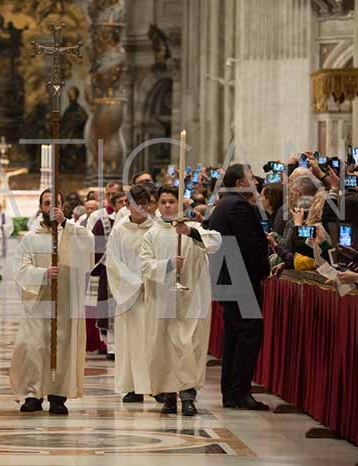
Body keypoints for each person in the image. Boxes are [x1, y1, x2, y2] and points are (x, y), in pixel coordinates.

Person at [139, 185, 222, 416]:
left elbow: (215, 242)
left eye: (171, 202)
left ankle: (188, 397)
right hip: (162, 297)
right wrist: (167, 265)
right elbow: (144, 264)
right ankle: (168, 396)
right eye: (163, 202)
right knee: (164, 346)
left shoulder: (192, 228)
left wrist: (190, 232)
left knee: (189, 345)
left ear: (180, 203)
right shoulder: (151, 234)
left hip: (191, 297)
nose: (167, 206)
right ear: (157, 204)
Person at [10, 189, 94, 415]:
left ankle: (58, 396)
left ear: (62, 206)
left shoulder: (73, 233)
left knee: (62, 346)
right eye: (47, 203)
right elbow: (19, 269)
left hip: (65, 301)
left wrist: (65, 224)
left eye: (56, 203)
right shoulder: (31, 238)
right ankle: (33, 394)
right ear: (41, 207)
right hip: (38, 301)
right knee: (34, 347)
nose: (51, 208)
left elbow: (89, 248)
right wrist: (43, 273)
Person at [209, 164, 271, 410]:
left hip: (229, 277)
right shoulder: (238, 205)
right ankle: (241, 392)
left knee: (234, 335)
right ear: (239, 183)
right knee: (248, 335)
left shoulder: (224, 204)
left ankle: (231, 393)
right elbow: (249, 245)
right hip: (240, 277)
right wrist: (263, 270)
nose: (255, 183)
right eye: (251, 179)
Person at [106, 184, 158, 403]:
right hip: (129, 294)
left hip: (153, 292)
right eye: (137, 205)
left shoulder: (156, 228)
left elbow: (161, 258)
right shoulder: (120, 230)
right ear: (127, 205)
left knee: (153, 340)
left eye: (145, 204)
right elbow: (113, 262)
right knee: (130, 342)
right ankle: (132, 387)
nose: (141, 209)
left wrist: (151, 280)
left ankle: (157, 386)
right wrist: (134, 282)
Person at [90, 191, 129, 359]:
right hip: (108, 272)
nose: (123, 205)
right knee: (109, 308)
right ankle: (111, 347)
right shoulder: (103, 222)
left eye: (125, 202)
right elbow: (95, 247)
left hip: (129, 272)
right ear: (113, 205)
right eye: (120, 202)